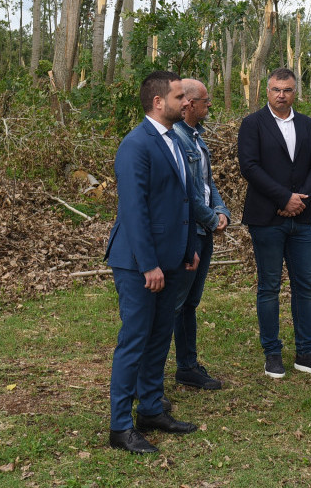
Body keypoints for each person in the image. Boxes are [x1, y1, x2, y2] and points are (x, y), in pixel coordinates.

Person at [105, 71, 201, 454]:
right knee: (135, 340)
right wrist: (148, 265)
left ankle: (150, 409)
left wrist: (189, 245)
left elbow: (182, 198)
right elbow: (134, 210)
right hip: (138, 263)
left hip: (172, 258)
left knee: (160, 336)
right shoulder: (136, 145)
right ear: (159, 102)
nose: (187, 102)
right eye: (180, 96)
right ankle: (119, 427)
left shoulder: (174, 140)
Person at [237, 67, 311, 379]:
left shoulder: (306, 125)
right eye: (276, 89)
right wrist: (283, 198)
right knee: (269, 286)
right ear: (267, 91)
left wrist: (299, 200)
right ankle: (272, 353)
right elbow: (249, 167)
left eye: (287, 90)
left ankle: (306, 352)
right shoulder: (253, 124)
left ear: (295, 92)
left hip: (301, 219)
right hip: (266, 219)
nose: (282, 95)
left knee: (305, 284)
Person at [168, 78, 231, 391]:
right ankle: (150, 374)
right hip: (189, 232)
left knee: (189, 303)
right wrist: (210, 219)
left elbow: (207, 183)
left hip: (203, 229)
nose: (209, 105)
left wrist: (221, 212)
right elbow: (187, 193)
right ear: (189, 104)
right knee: (175, 304)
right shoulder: (177, 139)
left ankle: (187, 366)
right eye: (205, 101)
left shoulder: (196, 137)